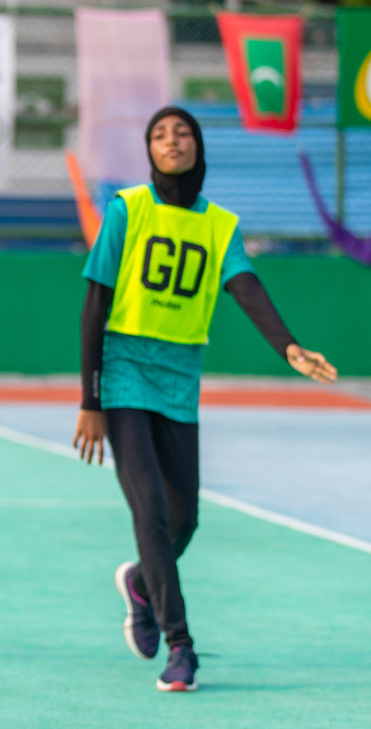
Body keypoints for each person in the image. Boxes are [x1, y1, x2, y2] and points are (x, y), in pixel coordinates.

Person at [73, 106, 337, 692]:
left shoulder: (220, 224)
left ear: (197, 148)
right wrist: (90, 398)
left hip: (179, 378)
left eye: (183, 132)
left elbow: (247, 287)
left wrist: (290, 348)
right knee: (151, 511)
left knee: (185, 517)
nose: (172, 140)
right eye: (160, 134)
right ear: (150, 151)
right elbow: (95, 304)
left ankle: (142, 583)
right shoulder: (127, 209)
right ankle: (181, 646)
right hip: (122, 374)